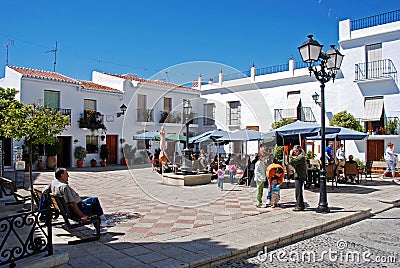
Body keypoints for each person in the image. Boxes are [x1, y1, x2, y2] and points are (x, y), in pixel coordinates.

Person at [43, 168, 115, 227]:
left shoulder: (54, 183)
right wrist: (82, 216)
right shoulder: (64, 187)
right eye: (66, 174)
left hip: (69, 206)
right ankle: (102, 222)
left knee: (94, 199)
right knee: (95, 206)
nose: (68, 176)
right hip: (78, 208)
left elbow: (44, 191)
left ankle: (104, 220)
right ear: (62, 175)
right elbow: (72, 204)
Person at [289, 145, 307, 211]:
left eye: (295, 152)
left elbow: (292, 161)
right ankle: (301, 204)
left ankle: (299, 205)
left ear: (298, 151)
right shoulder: (300, 157)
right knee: (299, 191)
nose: (294, 153)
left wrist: (290, 155)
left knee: (298, 191)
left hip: (300, 176)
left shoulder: (301, 157)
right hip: (299, 175)